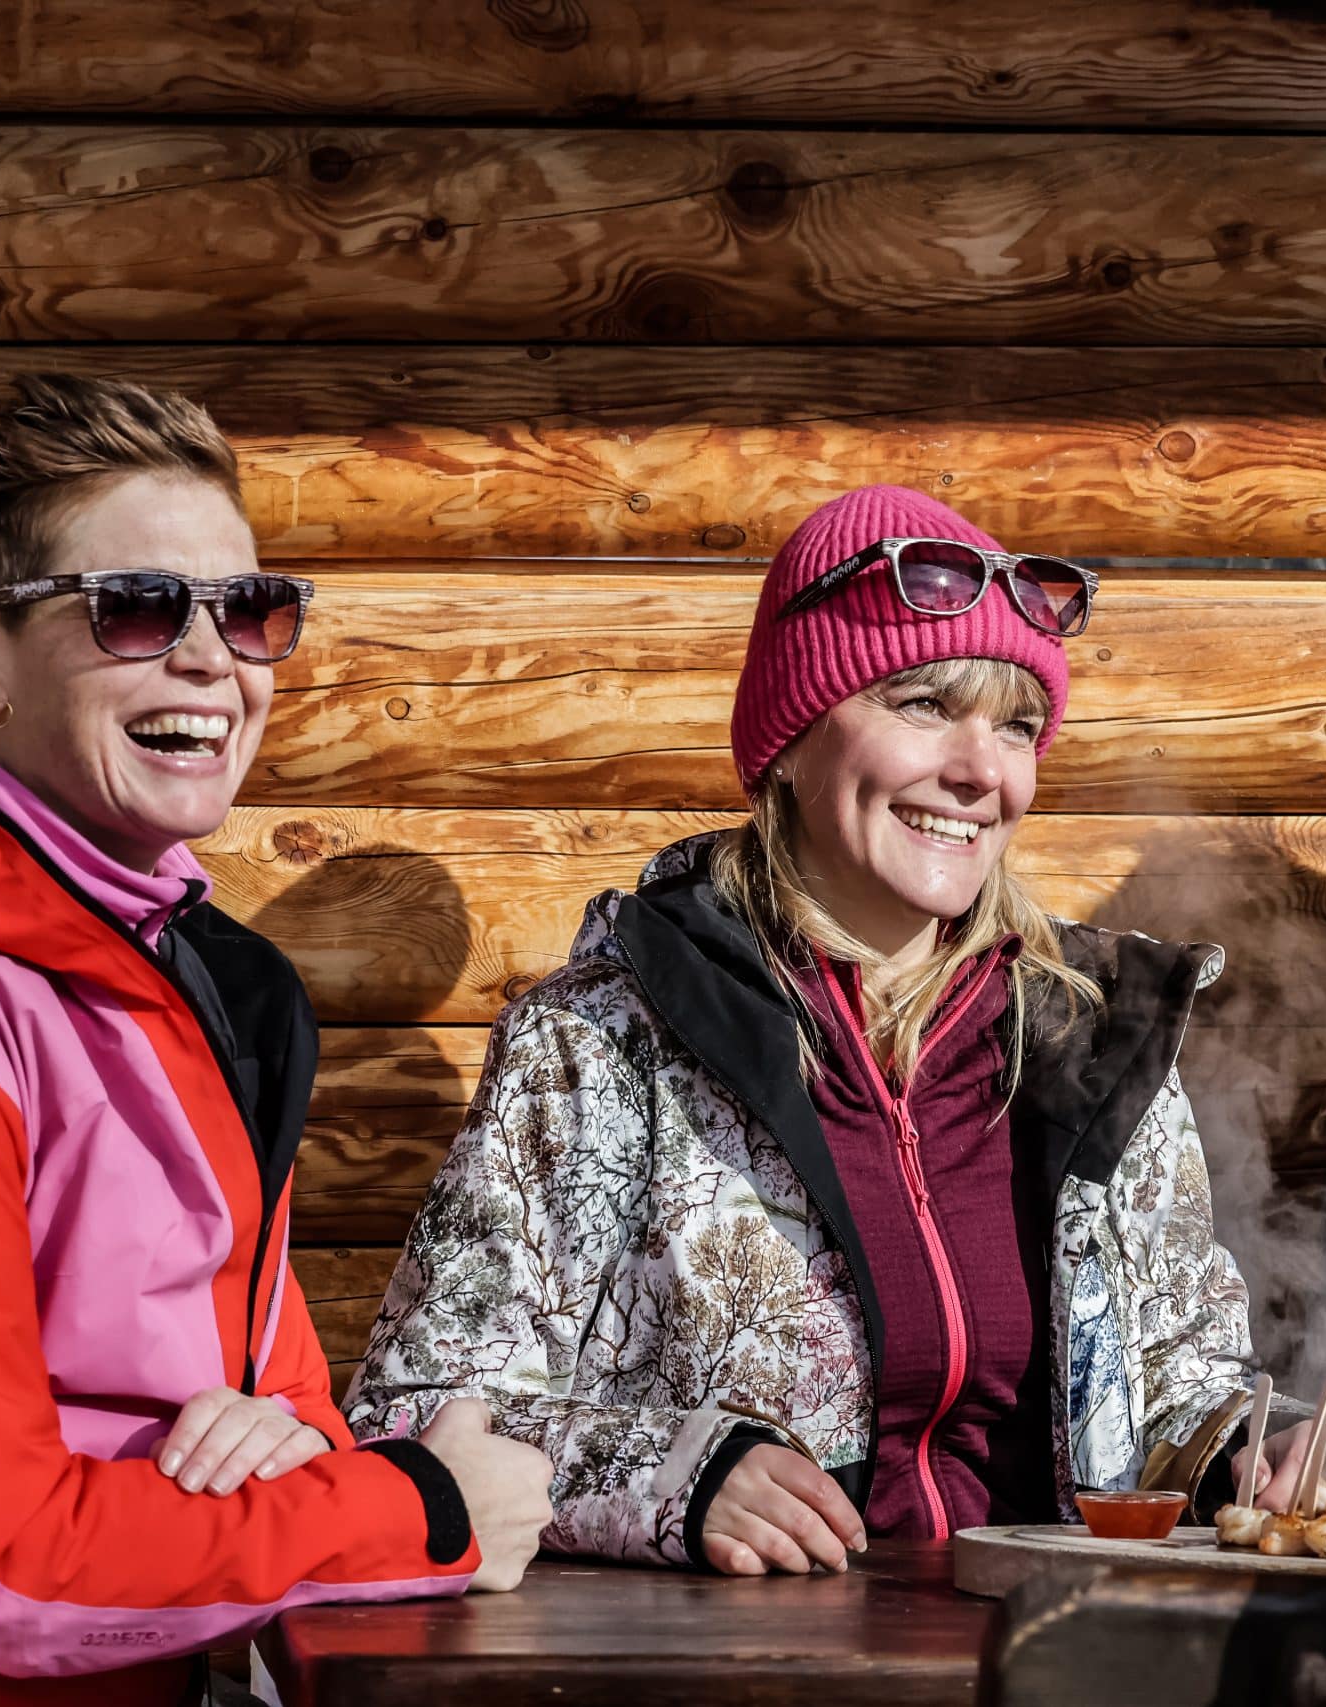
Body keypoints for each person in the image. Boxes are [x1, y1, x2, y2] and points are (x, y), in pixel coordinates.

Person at [0, 375, 549, 1707]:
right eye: (137, 606)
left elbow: (288, 1419)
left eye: (251, 609)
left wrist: (293, 1455)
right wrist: (421, 1511)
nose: (211, 656)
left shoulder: (186, 986)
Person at [348, 484, 1266, 1574]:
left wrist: (1252, 1448)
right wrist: (676, 1480)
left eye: (1016, 725)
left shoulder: (1094, 1035)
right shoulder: (607, 1038)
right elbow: (416, 1418)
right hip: (739, 1670)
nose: (982, 771)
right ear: (789, 738)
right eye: (924, 704)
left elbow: (1178, 1379)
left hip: (1057, 1652)